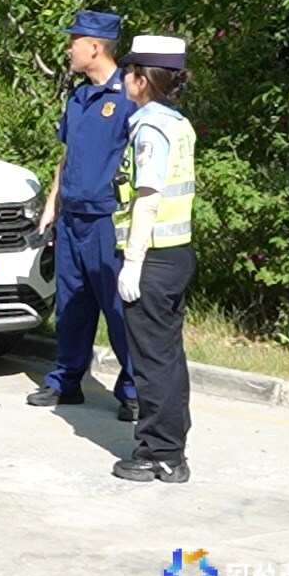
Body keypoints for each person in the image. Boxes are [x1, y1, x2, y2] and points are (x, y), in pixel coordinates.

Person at [29, 10, 138, 419]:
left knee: (117, 306)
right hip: (72, 217)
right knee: (71, 304)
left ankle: (133, 389)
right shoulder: (77, 96)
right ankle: (67, 380)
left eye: (73, 41)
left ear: (94, 46)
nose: (68, 49)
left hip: (107, 219)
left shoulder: (128, 95)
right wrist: (52, 204)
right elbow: (67, 154)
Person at [112, 35, 197, 483]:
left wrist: (133, 261)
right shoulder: (178, 123)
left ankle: (160, 452)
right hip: (176, 252)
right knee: (168, 357)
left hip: (153, 258)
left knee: (152, 361)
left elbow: (147, 199)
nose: (124, 77)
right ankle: (172, 446)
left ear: (143, 79)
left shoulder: (150, 129)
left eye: (130, 71)